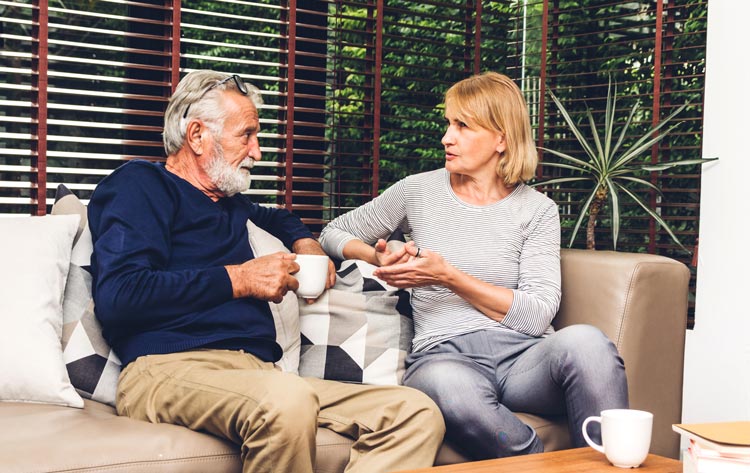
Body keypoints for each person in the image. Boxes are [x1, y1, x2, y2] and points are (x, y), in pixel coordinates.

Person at [88, 70, 445, 473]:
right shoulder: (140, 184)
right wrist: (241, 278)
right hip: (166, 368)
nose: (257, 151)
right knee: (285, 400)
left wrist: (306, 243)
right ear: (197, 135)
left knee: (414, 413)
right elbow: (121, 295)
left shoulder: (230, 204)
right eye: (247, 135)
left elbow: (280, 217)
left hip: (258, 375)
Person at [319, 71, 628, 460]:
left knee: (588, 342)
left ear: (501, 137)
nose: (447, 137)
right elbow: (334, 231)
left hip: (524, 360)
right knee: (447, 383)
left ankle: (612, 465)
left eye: (462, 126)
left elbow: (536, 315)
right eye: (449, 124)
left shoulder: (538, 210)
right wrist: (375, 255)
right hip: (442, 356)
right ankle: (542, 467)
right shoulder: (417, 191)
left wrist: (448, 277)